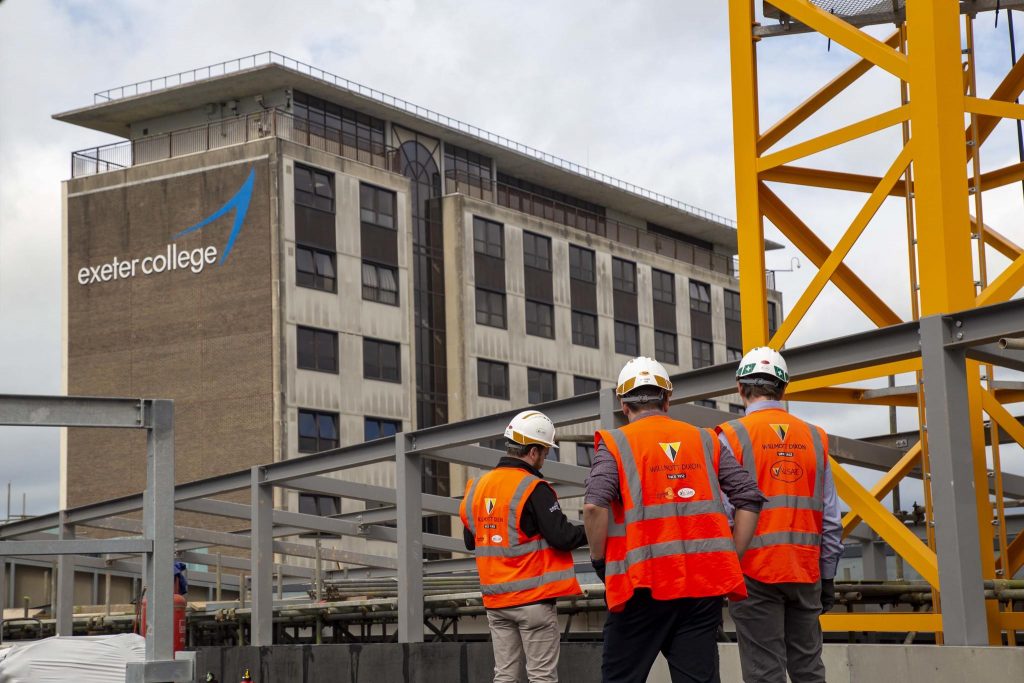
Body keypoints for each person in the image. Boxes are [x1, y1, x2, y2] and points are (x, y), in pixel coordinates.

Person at [583, 356, 765, 683]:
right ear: (667, 399)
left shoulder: (617, 443)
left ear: (624, 405)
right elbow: (748, 496)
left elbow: (594, 506)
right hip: (701, 587)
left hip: (641, 584)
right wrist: (730, 558)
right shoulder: (705, 439)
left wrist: (599, 560)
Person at [716, 347, 843, 683]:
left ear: (741, 389)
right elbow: (830, 518)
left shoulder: (729, 436)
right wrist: (827, 576)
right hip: (805, 571)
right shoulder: (815, 437)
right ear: (783, 389)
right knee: (809, 669)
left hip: (752, 573)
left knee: (764, 673)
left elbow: (723, 513)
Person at [460, 410, 588, 683]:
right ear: (532, 451)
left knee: (505, 675)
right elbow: (563, 537)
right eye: (545, 452)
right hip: (532, 600)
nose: (545, 459)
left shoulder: (477, 488)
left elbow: (472, 541)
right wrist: (596, 530)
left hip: (496, 601)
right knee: (541, 677)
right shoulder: (533, 487)